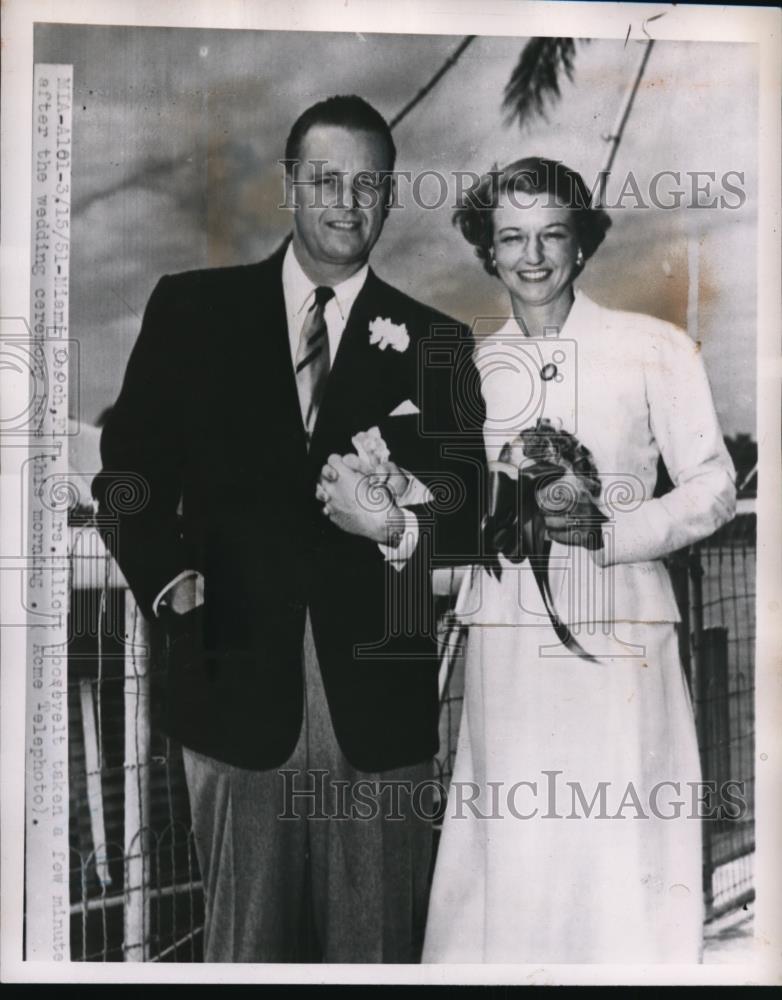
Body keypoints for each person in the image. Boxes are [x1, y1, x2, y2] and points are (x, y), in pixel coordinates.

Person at [93, 95, 483, 963]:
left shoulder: (438, 343)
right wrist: (168, 579)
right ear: (289, 186)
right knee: (244, 958)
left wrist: (391, 523)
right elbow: (127, 475)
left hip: (379, 714)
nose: (348, 201)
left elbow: (468, 514)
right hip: (232, 694)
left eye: (369, 184)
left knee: (376, 957)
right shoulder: (194, 311)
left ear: (390, 196)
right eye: (326, 179)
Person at [420, 157, 737, 964]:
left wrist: (613, 533)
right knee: (517, 845)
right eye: (512, 238)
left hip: (625, 632)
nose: (533, 257)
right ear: (488, 251)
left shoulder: (654, 348)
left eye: (552, 235)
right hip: (508, 643)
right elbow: (455, 513)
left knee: (624, 839)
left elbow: (713, 489)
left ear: (582, 245)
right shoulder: (467, 368)